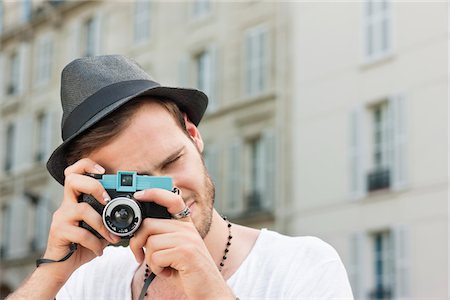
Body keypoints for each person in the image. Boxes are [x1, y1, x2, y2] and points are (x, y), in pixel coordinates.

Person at [8, 55, 353, 300]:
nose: (168, 190)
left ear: (194, 134)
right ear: (102, 194)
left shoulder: (302, 266)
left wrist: (208, 287)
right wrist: (51, 274)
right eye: (138, 181)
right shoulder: (88, 279)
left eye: (173, 160)